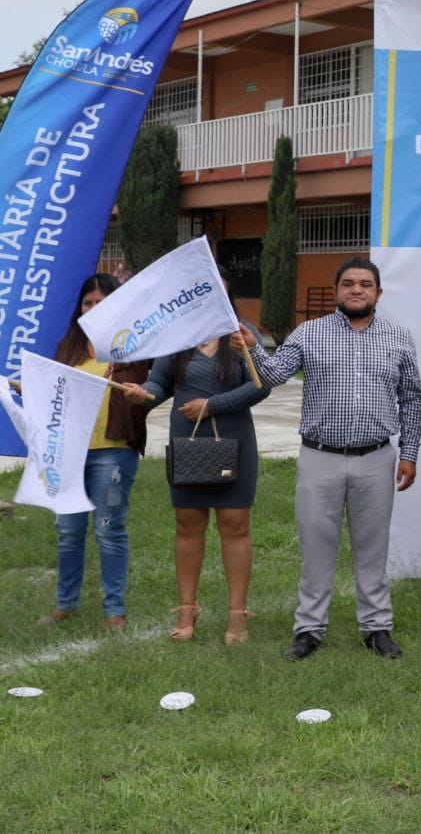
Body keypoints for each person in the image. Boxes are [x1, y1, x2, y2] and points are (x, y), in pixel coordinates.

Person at [231, 257, 421, 661]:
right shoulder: (310, 333)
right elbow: (273, 376)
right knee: (316, 547)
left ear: (378, 292)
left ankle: (376, 628)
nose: (357, 289)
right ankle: (309, 630)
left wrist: (409, 454)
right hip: (320, 459)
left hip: (377, 458)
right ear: (336, 290)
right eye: (349, 283)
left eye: (366, 284)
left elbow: (412, 400)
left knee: (373, 548)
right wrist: (251, 348)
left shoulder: (399, 337)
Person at [122, 273, 270, 645]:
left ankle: (238, 616)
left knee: (235, 524)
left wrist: (213, 405)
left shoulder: (241, 332)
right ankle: (187, 611)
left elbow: (261, 385)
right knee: (188, 524)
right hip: (187, 439)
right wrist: (145, 393)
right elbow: (160, 385)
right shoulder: (177, 337)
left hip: (234, 438)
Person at [35, 274, 150, 631]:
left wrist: (140, 393)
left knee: (108, 530)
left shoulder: (133, 347)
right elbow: (52, 393)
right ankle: (65, 604)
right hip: (68, 454)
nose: (94, 308)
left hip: (113, 452)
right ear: (79, 308)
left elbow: (150, 395)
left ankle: (114, 609)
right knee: (68, 531)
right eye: (88, 303)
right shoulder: (67, 347)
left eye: (102, 302)